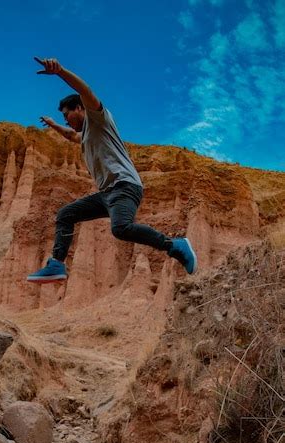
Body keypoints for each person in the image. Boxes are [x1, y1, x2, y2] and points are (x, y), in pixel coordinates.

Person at [27, 57, 197, 284]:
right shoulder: (87, 134)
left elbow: (85, 90)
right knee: (65, 214)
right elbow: (70, 136)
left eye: (66, 115)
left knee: (121, 228)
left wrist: (60, 72)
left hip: (125, 186)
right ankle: (57, 263)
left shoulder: (99, 119)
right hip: (108, 193)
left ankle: (175, 246)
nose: (65, 120)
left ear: (80, 108)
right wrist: (53, 124)